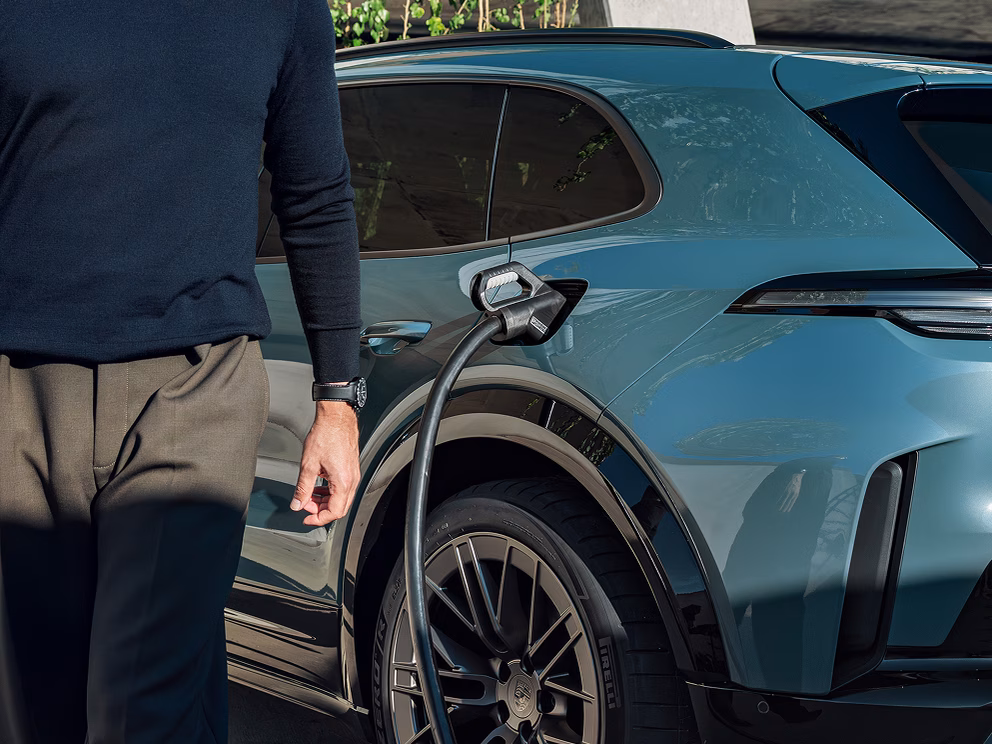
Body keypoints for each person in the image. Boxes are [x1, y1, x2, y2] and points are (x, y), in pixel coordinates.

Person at [0, 0, 362, 741]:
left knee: (142, 710)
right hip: (20, 388)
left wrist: (338, 399)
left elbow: (317, 194)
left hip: (198, 391)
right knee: (37, 709)